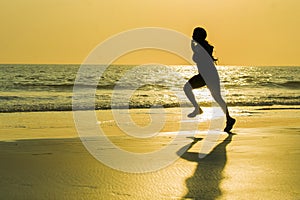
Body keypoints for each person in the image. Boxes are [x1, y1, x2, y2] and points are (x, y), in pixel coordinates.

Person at [183, 27, 236, 133]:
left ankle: (229, 119)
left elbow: (197, 55)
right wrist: (193, 45)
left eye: (195, 34)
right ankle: (228, 118)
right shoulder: (201, 46)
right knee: (188, 88)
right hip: (205, 75)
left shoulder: (203, 47)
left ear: (200, 36)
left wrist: (192, 46)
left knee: (216, 97)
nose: (192, 36)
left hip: (209, 76)